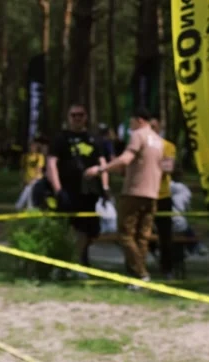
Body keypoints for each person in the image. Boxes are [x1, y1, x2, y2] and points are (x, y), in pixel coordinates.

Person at [86, 106, 170, 282]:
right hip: (152, 194)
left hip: (134, 192)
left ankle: (141, 273)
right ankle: (137, 275)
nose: (129, 125)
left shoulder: (138, 136)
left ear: (139, 120)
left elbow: (125, 159)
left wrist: (101, 169)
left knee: (124, 234)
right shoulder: (158, 141)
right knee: (142, 236)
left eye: (131, 121)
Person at [46, 104, 109, 266]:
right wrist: (58, 189)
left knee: (89, 230)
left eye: (80, 115)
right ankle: (66, 261)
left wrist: (106, 187)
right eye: (73, 115)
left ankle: (81, 260)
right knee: (67, 228)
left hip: (89, 192)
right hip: (67, 190)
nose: (77, 118)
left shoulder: (94, 139)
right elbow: (52, 164)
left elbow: (103, 164)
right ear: (68, 118)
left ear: (85, 117)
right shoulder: (61, 138)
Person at [150, 118, 176, 278]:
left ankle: (167, 268)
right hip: (144, 195)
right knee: (139, 233)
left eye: (154, 127)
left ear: (160, 127)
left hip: (162, 196)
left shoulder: (168, 146)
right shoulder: (139, 144)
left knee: (165, 235)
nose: (151, 130)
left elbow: (168, 168)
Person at [170, 167, 209, 259]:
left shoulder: (158, 186)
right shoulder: (184, 190)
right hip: (178, 223)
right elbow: (184, 207)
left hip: (158, 224)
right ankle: (195, 246)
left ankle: (192, 247)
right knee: (182, 224)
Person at [15, 138, 45, 210]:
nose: (32, 148)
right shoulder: (25, 157)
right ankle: (29, 207)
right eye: (31, 146)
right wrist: (22, 179)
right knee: (29, 193)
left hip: (37, 178)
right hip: (27, 178)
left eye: (34, 146)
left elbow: (39, 169)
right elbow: (22, 169)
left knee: (27, 191)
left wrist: (33, 179)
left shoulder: (39, 156)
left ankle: (19, 205)